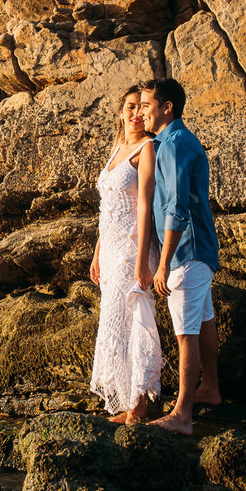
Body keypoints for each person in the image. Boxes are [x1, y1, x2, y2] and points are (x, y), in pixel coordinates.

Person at [135, 78, 222, 435]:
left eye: (146, 104)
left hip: (187, 252)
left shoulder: (173, 144)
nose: (141, 111)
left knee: (185, 333)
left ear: (166, 106)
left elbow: (177, 207)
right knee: (203, 321)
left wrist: (165, 263)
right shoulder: (177, 140)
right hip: (199, 249)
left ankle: (182, 414)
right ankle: (210, 389)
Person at [89, 85, 165, 424]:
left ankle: (138, 405)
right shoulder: (118, 147)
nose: (136, 113)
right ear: (120, 111)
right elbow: (107, 208)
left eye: (141, 107)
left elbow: (146, 207)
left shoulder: (147, 148)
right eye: (130, 106)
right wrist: (96, 253)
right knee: (114, 323)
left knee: (134, 321)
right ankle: (125, 398)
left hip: (132, 250)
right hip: (110, 249)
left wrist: (141, 263)